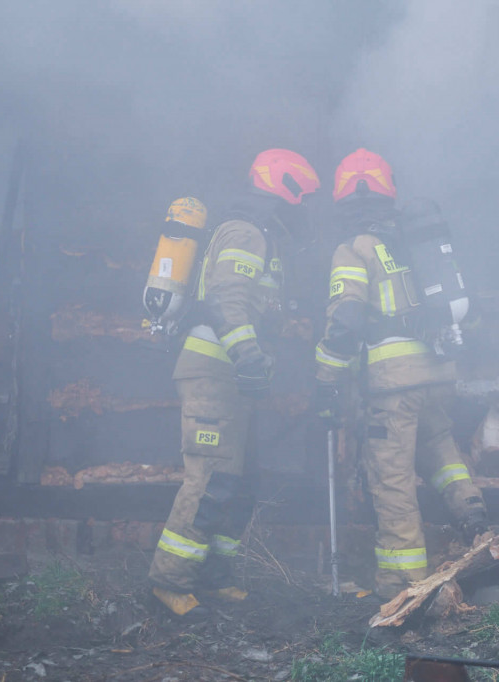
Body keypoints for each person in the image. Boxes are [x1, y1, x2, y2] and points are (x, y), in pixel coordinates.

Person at [149, 149, 321, 616]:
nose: (302, 210)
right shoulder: (246, 231)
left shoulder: (262, 235)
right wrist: (247, 352)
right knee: (209, 478)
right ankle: (170, 581)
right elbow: (228, 298)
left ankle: (214, 575)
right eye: (300, 199)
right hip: (215, 370)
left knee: (239, 481)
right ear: (284, 192)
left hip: (233, 377)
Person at [312, 148, 488, 600]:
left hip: (392, 385)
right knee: (439, 447)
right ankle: (475, 518)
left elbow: (346, 320)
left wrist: (326, 376)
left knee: (391, 478)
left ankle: (403, 583)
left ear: (343, 200)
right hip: (437, 371)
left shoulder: (353, 249)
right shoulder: (413, 239)